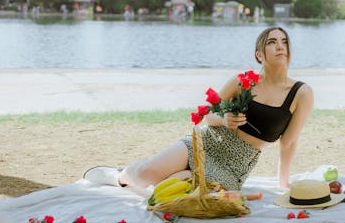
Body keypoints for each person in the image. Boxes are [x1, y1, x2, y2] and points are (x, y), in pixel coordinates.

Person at [83, 27, 314, 190]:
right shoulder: (243, 81)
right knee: (145, 175)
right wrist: (224, 120)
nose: (280, 46)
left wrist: (283, 183)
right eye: (272, 42)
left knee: (173, 186)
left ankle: (179, 175)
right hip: (208, 140)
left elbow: (289, 142)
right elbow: (207, 114)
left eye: (284, 41)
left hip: (236, 164)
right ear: (259, 55)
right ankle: (119, 176)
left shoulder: (301, 93)